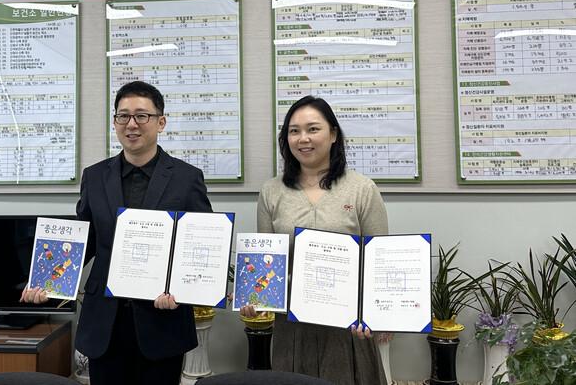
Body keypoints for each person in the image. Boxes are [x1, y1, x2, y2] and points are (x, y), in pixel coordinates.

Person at [21, 80, 212, 385]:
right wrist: (48, 282)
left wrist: (182, 292)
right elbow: (85, 242)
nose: (131, 124)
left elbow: (201, 247)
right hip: (104, 322)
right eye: (123, 116)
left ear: (161, 122)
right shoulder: (95, 176)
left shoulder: (187, 178)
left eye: (142, 115)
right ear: (115, 122)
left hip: (162, 320)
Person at [241, 95, 388, 385]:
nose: (303, 139)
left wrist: (378, 316)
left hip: (348, 328)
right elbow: (266, 261)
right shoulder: (271, 191)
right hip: (293, 329)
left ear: (333, 134)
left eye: (313, 129)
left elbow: (379, 261)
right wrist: (255, 298)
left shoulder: (362, 189)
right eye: (294, 131)